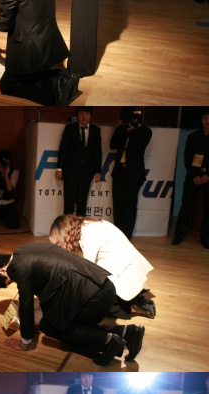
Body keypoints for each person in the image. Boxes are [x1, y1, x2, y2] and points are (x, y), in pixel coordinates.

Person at [0, 244, 145, 365]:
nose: (15, 282)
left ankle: (107, 341)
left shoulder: (19, 267)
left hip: (92, 298)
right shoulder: (24, 250)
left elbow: (26, 304)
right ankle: (128, 332)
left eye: (10, 281)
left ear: (2, 271)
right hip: (105, 287)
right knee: (62, 323)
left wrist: (24, 341)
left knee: (49, 327)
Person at [49, 214, 156, 318]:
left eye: (58, 244)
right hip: (126, 265)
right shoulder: (88, 225)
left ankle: (133, 305)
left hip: (122, 270)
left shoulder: (89, 234)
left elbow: (85, 270)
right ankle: (135, 298)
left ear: (65, 236)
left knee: (93, 305)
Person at [110, 109, 152, 240]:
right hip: (119, 172)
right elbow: (112, 144)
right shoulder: (122, 129)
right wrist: (120, 129)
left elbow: (140, 146)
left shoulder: (145, 131)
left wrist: (131, 131)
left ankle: (127, 236)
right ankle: (117, 235)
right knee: (118, 205)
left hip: (134, 175)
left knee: (130, 206)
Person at [55, 107, 102, 216]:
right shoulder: (70, 129)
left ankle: (80, 227)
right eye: (81, 113)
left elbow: (97, 152)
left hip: (86, 173)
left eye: (87, 114)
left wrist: (98, 171)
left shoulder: (95, 130)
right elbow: (63, 149)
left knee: (82, 204)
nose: (84, 117)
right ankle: (67, 226)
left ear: (90, 115)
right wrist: (59, 168)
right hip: (70, 172)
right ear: (77, 115)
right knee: (68, 204)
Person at [172, 110, 209, 248]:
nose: (207, 121)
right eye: (205, 118)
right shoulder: (193, 136)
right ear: (201, 120)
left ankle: (206, 238)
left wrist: (207, 175)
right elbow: (187, 157)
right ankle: (179, 235)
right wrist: (194, 175)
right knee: (186, 206)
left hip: (208, 178)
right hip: (193, 177)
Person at [0, 149, 19, 229]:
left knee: (13, 224)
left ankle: (2, 216)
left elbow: (9, 188)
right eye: (2, 162)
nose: (4, 164)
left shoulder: (14, 171)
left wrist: (5, 173)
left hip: (7, 202)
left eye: (6, 162)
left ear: (9, 161)